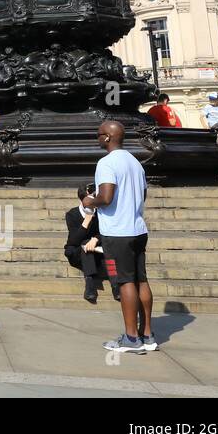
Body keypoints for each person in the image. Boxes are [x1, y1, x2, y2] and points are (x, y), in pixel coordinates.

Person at [84, 120, 156, 354]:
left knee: (124, 281)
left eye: (98, 134)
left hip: (116, 233)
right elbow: (142, 195)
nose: (97, 138)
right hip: (137, 229)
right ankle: (147, 334)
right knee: (141, 280)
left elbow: (106, 197)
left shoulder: (106, 163)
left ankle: (131, 338)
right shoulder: (135, 162)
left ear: (106, 137)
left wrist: (89, 201)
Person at [65, 183, 115, 305]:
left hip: (97, 251)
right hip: (77, 252)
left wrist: (96, 239)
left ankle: (116, 285)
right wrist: (86, 221)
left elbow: (107, 232)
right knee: (84, 244)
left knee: (111, 249)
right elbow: (73, 241)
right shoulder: (72, 214)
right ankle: (90, 284)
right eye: (92, 198)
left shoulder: (101, 213)